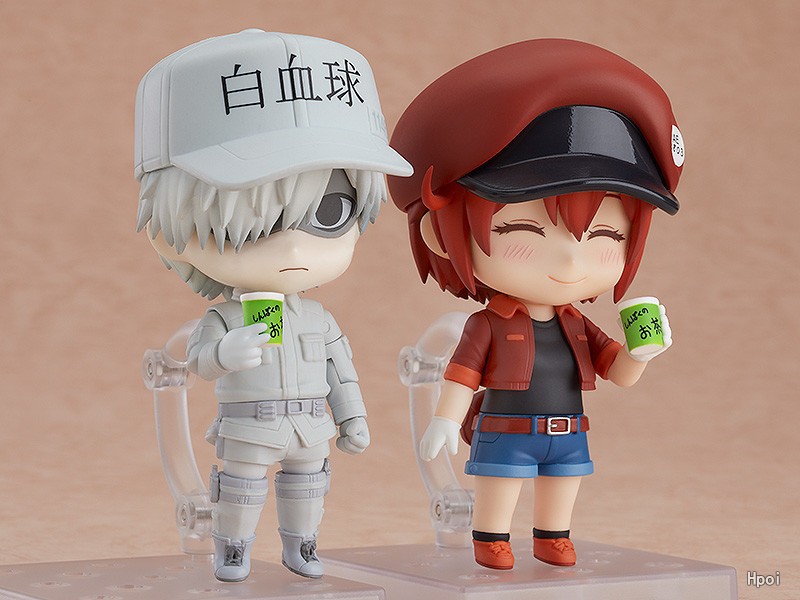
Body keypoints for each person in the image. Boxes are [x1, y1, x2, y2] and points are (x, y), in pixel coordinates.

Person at [388, 39, 683, 570]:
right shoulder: (488, 323)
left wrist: (641, 353)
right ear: (439, 233)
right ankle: (491, 537)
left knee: (563, 485)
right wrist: (444, 419)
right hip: (505, 430)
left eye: (606, 236)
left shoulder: (577, 324)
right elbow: (461, 373)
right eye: (523, 229)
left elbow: (618, 372)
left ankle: (553, 537)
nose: (570, 259)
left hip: (568, 432)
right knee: (500, 484)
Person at [134, 29, 411, 581]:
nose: (293, 249)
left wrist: (353, 417)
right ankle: (233, 549)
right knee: (240, 489)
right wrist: (225, 353)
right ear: (170, 233)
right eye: (256, 226)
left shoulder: (319, 320)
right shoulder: (224, 317)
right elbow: (199, 359)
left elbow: (341, 371)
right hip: (248, 426)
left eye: (330, 212)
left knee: (309, 486)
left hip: (310, 425)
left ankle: (301, 547)